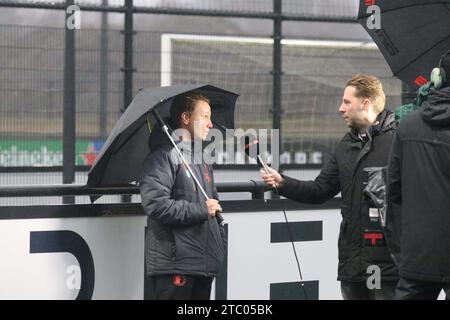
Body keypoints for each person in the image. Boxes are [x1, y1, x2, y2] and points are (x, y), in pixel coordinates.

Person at [261, 74, 398, 300]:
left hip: (386, 266)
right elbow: (320, 189)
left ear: (365, 103)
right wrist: (282, 183)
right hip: (350, 264)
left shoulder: (398, 141)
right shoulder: (346, 145)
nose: (340, 109)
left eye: (346, 102)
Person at [139, 92, 226, 300]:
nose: (210, 124)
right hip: (175, 267)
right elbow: (156, 204)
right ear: (185, 119)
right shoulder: (162, 156)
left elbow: (213, 206)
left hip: (203, 267)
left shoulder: (201, 159)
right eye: (205, 116)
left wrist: (219, 242)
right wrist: (201, 210)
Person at [386, 51, 450, 300]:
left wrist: (403, 253)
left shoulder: (409, 125)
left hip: (417, 258)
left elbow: (392, 192)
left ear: (437, 79)